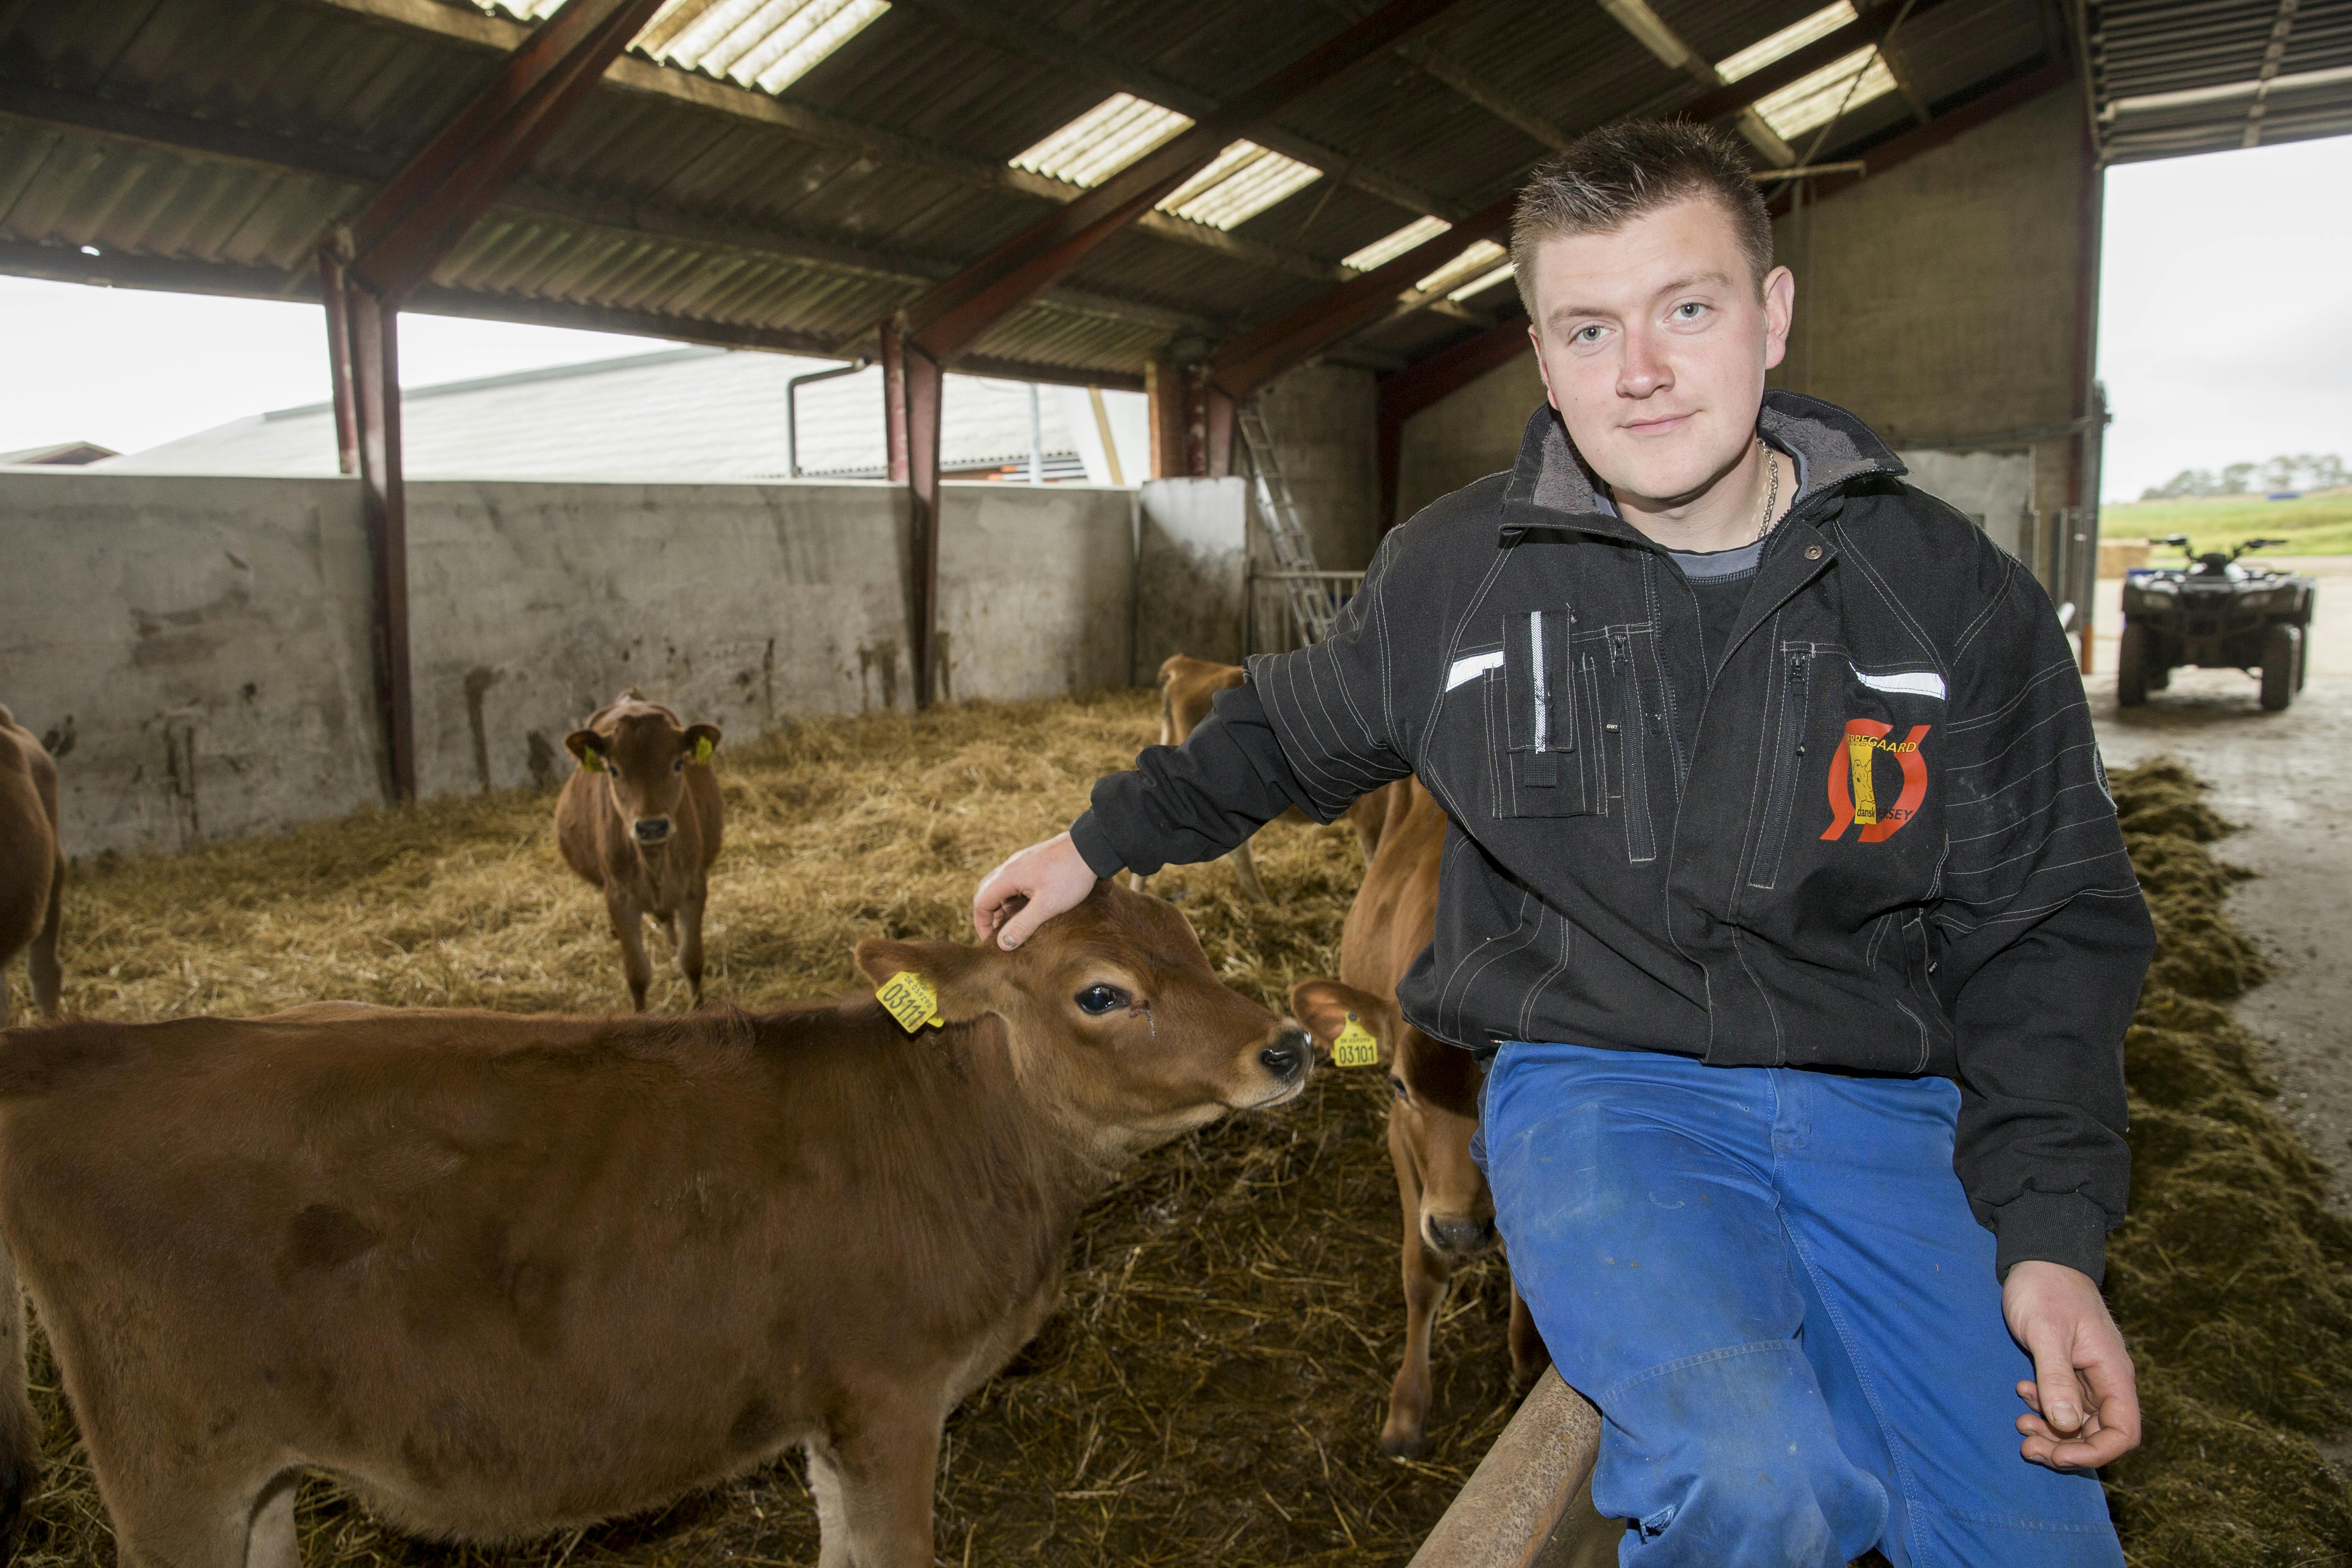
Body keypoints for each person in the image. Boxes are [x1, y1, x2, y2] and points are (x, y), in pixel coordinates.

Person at [973, 119, 2151, 1568]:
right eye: (1588, 328)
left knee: (2033, 1537)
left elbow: (2050, 925)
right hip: (1607, 1092)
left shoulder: (1946, 593)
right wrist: (1096, 842)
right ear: (1543, 358)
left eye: (1688, 309)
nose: (1639, 370)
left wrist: (2049, 1235)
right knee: (1754, 1477)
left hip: (1890, 1100)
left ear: (1773, 318)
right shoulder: (1464, 576)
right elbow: (1289, 725)